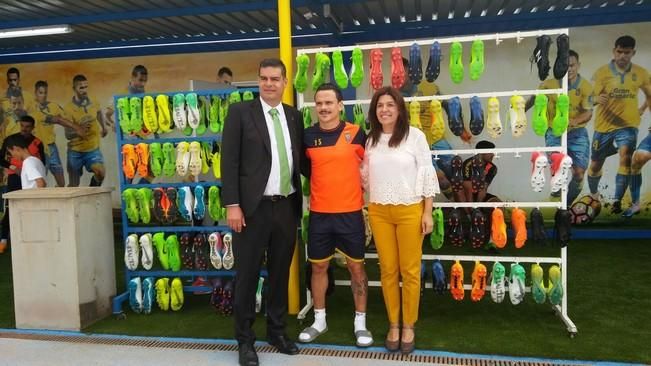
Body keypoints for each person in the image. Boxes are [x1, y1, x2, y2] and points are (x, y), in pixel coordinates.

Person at [221, 58, 303, 366]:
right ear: (258, 81)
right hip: (251, 211)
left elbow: (303, 162)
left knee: (280, 274)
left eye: (275, 79)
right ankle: (245, 341)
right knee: (248, 276)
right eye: (264, 78)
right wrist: (232, 205)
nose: (269, 83)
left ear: (285, 82)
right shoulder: (240, 113)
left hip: (286, 206)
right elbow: (228, 162)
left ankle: (277, 332)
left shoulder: (294, 117)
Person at [362, 86, 438, 354]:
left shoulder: (415, 137)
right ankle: (393, 323)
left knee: (410, 270)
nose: (384, 109)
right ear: (375, 111)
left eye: (390, 105)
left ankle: (409, 325)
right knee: (388, 270)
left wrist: (427, 212)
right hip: (379, 211)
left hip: (409, 210)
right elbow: (364, 177)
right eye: (380, 105)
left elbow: (427, 174)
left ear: (399, 109)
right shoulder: (370, 141)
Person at [298, 83, 372, 347]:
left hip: (350, 214)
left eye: (329, 103)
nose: (323, 108)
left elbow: (367, 168)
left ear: (340, 105)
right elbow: (308, 169)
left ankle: (360, 323)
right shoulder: (306, 136)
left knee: (356, 268)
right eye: (319, 103)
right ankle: (319, 320)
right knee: (318, 267)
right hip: (319, 214)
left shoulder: (357, 134)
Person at [588, 35, 651, 213]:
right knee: (595, 165)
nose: (623, 56)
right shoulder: (601, 73)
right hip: (603, 128)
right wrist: (594, 99)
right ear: (614, 51)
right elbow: (587, 99)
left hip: (629, 126)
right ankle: (594, 195)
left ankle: (616, 200)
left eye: (627, 52)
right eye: (619, 52)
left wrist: (641, 109)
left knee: (625, 159)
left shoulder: (641, 73)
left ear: (633, 53)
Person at [525, 50, 593, 205]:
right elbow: (534, 99)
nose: (569, 69)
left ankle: (566, 205)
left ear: (578, 66)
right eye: (564, 65)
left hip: (577, 133)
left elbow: (589, 112)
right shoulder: (548, 85)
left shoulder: (586, 87)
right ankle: (556, 182)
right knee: (558, 165)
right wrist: (520, 112)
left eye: (572, 65)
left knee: (579, 174)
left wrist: (574, 121)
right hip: (554, 132)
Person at [0, 115, 45, 253]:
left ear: (33, 127)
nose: (24, 129)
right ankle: (3, 240)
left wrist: (31, 172)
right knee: (11, 207)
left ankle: (29, 240)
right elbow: (1, 158)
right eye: (22, 126)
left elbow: (42, 165)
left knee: (28, 211)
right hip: (15, 178)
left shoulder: (37, 143)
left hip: (31, 178)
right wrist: (13, 167)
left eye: (27, 127)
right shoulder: (10, 139)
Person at [32, 80, 86, 187]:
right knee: (40, 181)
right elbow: (56, 119)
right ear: (35, 93)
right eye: (40, 93)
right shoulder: (32, 108)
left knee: (61, 183)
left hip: (52, 147)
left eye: (45, 93)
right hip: (38, 149)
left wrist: (78, 126)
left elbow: (65, 118)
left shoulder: (53, 106)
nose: (43, 96)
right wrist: (76, 127)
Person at [63, 74, 108, 187]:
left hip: (92, 148)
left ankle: (92, 192)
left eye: (86, 87)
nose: (84, 90)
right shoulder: (68, 109)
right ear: (74, 89)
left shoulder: (93, 101)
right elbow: (67, 135)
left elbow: (98, 112)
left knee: (100, 172)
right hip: (75, 151)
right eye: (81, 88)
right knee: (74, 185)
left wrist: (103, 127)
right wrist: (78, 131)